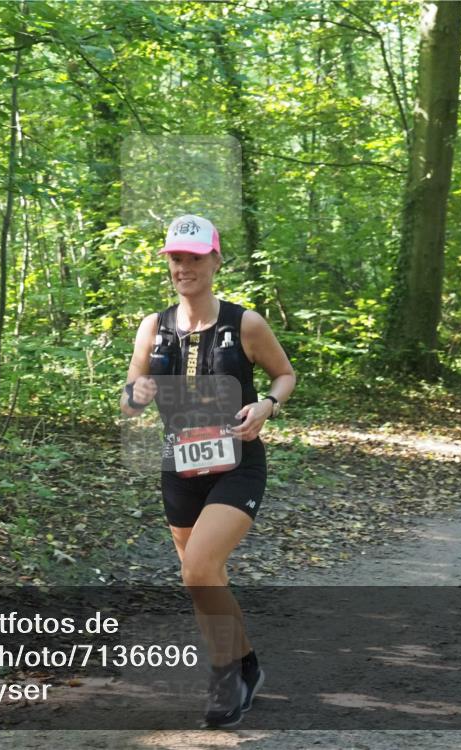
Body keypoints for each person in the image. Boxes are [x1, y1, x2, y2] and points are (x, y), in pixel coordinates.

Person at [120, 214, 296, 728]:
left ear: (216, 260)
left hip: (236, 466)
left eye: (194, 257)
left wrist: (266, 405)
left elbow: (284, 375)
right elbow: (131, 392)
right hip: (179, 467)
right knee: (205, 579)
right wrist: (138, 394)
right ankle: (247, 665)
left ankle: (225, 677)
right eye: (176, 258)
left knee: (198, 569)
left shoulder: (246, 323)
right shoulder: (153, 326)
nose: (184, 267)